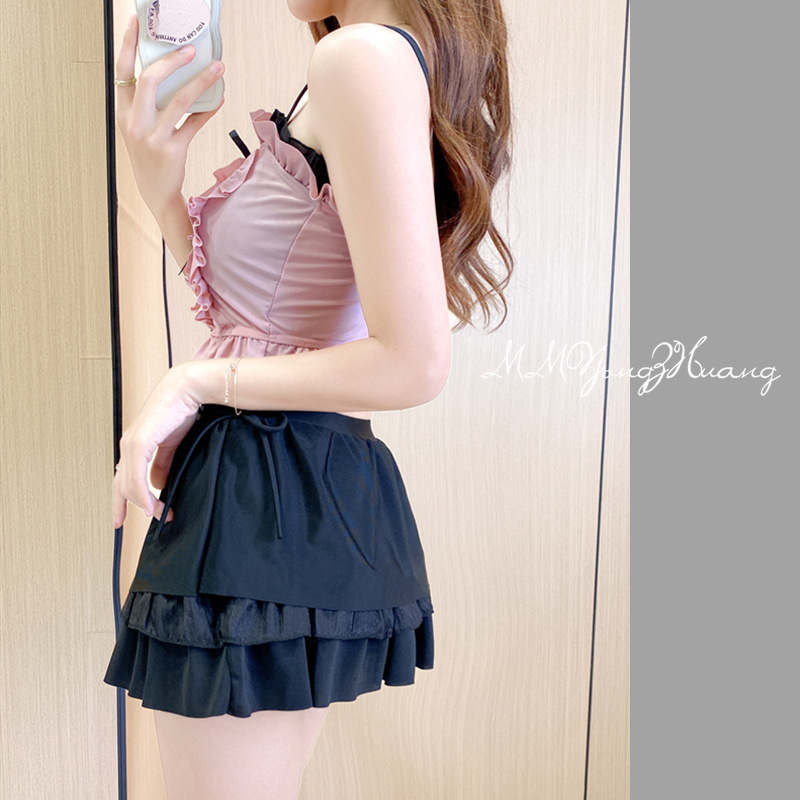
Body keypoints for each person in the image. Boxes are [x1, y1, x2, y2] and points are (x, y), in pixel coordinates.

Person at [105, 1, 514, 798]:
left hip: (261, 498)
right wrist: (162, 192)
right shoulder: (378, 59)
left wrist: (192, 382)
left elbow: (414, 362)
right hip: (280, 486)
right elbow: (267, 318)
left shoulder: (359, 58)